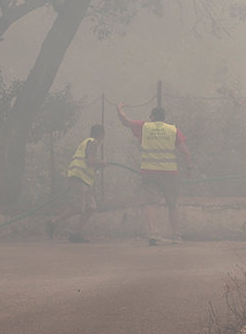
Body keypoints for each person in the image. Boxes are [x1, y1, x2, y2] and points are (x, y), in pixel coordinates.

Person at [116, 103, 193, 246]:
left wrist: (119, 109)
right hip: (169, 172)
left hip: (148, 171)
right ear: (164, 118)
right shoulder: (173, 130)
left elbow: (125, 121)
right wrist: (189, 168)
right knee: (173, 204)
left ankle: (152, 234)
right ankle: (175, 236)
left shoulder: (144, 127)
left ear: (152, 117)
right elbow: (185, 151)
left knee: (151, 203)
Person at [46, 124, 109, 243]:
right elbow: (90, 161)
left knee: (91, 208)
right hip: (79, 178)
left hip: (85, 180)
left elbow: (88, 162)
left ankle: (76, 233)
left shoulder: (86, 142)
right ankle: (52, 223)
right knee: (79, 208)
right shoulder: (94, 142)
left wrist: (98, 164)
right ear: (101, 134)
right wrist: (102, 162)